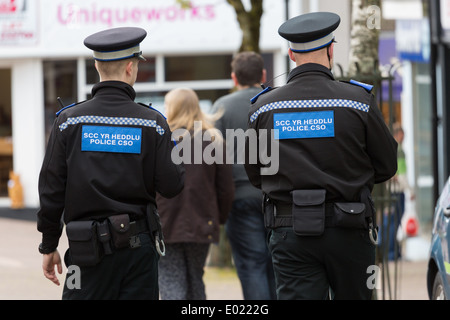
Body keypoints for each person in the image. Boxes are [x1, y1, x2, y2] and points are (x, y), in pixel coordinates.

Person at [244, 12, 398, 300]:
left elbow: (255, 173)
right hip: (350, 229)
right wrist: (354, 177)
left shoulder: (262, 108)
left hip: (289, 232)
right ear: (330, 49)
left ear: (291, 54)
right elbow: (387, 164)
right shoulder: (358, 101)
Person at [37, 27, 185, 300]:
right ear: (130, 67)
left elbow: (50, 189)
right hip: (138, 252)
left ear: (96, 65)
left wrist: (48, 245)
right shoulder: (152, 123)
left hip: (82, 255)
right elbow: (173, 185)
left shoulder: (68, 121)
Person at [156, 88, 234, 300]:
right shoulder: (214, 141)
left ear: (171, 109)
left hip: (165, 223)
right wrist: (219, 218)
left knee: (171, 281)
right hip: (202, 222)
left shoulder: (160, 141)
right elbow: (226, 188)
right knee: (195, 280)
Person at [211, 51, 276, 300]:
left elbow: (213, 157)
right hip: (276, 196)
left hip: (239, 196)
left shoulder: (221, 107)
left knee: (251, 265)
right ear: (263, 75)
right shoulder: (274, 102)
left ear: (233, 77)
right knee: (277, 263)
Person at [383, 122, 415, 260]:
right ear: (398, 134)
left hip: (390, 191)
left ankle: (392, 252)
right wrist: (410, 190)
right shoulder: (399, 150)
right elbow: (401, 174)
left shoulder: (388, 149)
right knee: (394, 223)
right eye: (403, 134)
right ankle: (392, 253)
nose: (404, 137)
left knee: (391, 222)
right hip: (397, 192)